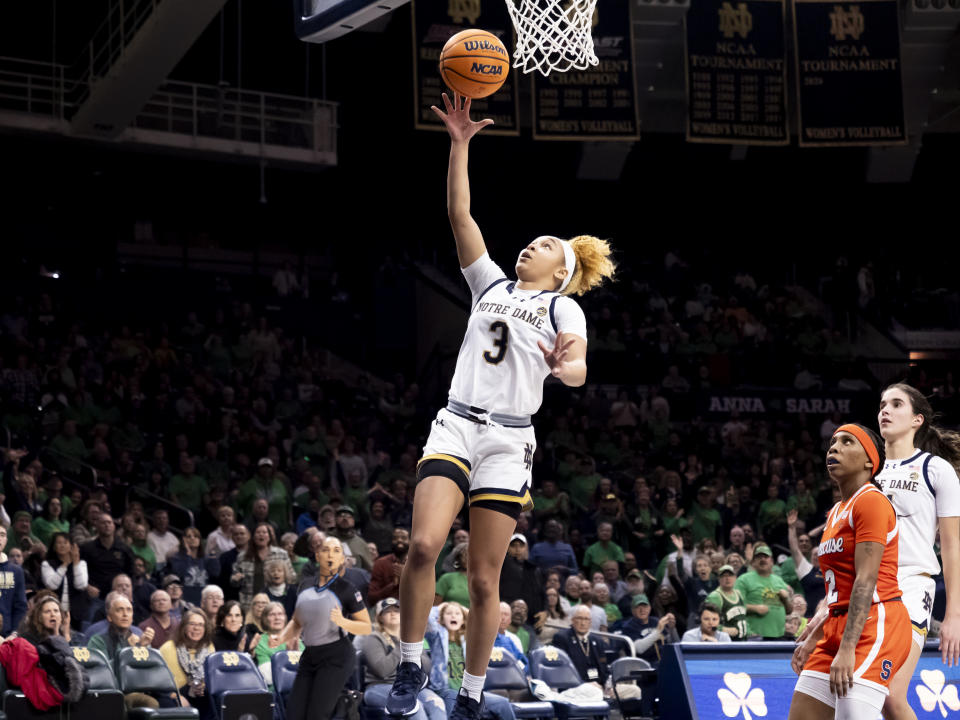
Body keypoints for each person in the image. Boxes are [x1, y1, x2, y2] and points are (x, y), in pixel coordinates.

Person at [387, 91, 615, 720]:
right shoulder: (489, 283)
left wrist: (564, 366)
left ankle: (471, 692)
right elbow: (461, 216)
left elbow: (578, 366)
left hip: (510, 441)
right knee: (424, 547)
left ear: (560, 269)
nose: (529, 247)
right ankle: (412, 663)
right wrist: (459, 144)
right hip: (457, 424)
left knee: (486, 579)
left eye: (543, 245)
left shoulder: (560, 306)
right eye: (530, 241)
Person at [789, 424, 911, 720]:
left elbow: (865, 581)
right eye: (832, 442)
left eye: (847, 442)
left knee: (853, 714)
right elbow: (837, 592)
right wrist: (814, 636)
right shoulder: (835, 512)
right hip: (838, 625)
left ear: (870, 461)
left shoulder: (871, 501)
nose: (834, 448)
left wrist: (847, 649)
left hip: (875, 622)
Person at [873, 383, 960, 720]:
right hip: (866, 587)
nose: (885, 410)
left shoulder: (935, 469)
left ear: (916, 420)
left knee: (892, 696)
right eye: (882, 404)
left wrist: (953, 615)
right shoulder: (867, 469)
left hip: (909, 585)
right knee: (857, 691)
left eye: (896, 404)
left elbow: (952, 546)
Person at [278, 536, 371, 720]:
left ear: (343, 559)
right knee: (294, 714)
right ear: (318, 555)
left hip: (337, 656)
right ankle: (344, 703)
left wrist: (343, 622)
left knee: (317, 714)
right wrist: (281, 638)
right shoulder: (305, 585)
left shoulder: (347, 589)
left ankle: (344, 704)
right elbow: (297, 621)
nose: (331, 554)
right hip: (310, 655)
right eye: (326, 550)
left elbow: (366, 627)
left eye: (337, 551)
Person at [422, 601, 516, 720]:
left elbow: (482, 622)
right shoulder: (437, 638)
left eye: (457, 614)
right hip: (446, 690)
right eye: (449, 613)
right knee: (453, 700)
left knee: (502, 703)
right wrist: (439, 608)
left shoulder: (468, 639)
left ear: (463, 619)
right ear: (441, 618)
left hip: (469, 692)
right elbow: (428, 617)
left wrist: (464, 610)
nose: (453, 616)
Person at [357, 598, 446, 720]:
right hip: (379, 686)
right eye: (387, 611)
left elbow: (427, 669)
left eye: (397, 610)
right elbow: (382, 670)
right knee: (414, 707)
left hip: (412, 686)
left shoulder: (414, 639)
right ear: (380, 617)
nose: (393, 613)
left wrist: (414, 650)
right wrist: (403, 645)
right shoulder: (373, 638)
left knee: (437, 703)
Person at [158, 608, 216, 719]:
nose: (196, 628)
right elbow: (160, 685)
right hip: (174, 694)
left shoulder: (209, 647)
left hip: (200, 693)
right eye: (192, 624)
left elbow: (212, 678)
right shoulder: (168, 648)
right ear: (184, 627)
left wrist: (201, 687)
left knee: (213, 699)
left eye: (200, 625)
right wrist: (178, 696)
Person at [735, 543, 792, 639]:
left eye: (766, 556)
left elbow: (789, 611)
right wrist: (755, 608)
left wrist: (786, 599)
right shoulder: (743, 580)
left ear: (772, 562)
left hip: (779, 635)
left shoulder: (779, 580)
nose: (762, 559)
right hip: (754, 636)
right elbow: (734, 607)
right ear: (753, 562)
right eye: (759, 557)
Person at [233, 523, 295, 609]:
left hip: (274, 602)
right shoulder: (242, 556)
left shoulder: (281, 554)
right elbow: (234, 581)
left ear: (269, 536)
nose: (261, 534)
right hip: (249, 602)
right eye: (258, 532)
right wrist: (236, 579)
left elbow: (292, 577)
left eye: (264, 532)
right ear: (252, 536)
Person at [88, 592, 155, 666]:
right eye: (119, 610)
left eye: (129, 610)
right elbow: (104, 670)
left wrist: (143, 647)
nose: (125, 614)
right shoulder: (98, 640)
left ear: (132, 616)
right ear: (109, 617)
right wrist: (134, 649)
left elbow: (151, 668)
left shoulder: (140, 637)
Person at [40, 533, 89, 631]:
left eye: (65, 543)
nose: (62, 545)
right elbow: (52, 585)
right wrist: (65, 564)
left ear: (72, 546)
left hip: (76, 612)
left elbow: (81, 585)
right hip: (54, 612)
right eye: (59, 543)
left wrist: (75, 563)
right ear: (54, 546)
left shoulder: (81, 564)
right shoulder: (47, 564)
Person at [551, 606, 608, 685]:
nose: (583, 623)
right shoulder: (562, 638)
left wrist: (607, 686)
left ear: (590, 622)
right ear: (572, 620)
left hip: (598, 685)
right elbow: (562, 669)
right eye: (579, 618)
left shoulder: (597, 641)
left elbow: (604, 668)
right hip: (574, 686)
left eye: (586, 619)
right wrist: (586, 685)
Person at [164, 527, 220, 606]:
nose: (192, 538)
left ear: (200, 540)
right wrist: (187, 555)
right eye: (189, 536)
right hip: (185, 601)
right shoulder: (176, 559)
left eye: (195, 536)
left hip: (203, 601)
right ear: (183, 540)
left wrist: (213, 555)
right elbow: (180, 574)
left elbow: (215, 573)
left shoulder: (205, 559)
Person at [254, 602, 303, 685]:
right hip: (275, 691)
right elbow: (268, 677)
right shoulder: (260, 642)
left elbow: (307, 671)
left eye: (280, 614)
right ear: (265, 619)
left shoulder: (295, 640)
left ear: (285, 617)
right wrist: (288, 658)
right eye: (272, 614)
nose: (277, 618)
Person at [0, 525, 30, 637]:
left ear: (6, 540)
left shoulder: (16, 571)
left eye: (2, 535)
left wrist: (14, 633)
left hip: (6, 636)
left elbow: (20, 606)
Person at [705, 565, 748, 640]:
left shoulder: (739, 593)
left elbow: (744, 617)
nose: (727, 578)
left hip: (743, 641)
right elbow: (706, 623)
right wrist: (723, 629)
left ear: (735, 577)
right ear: (719, 579)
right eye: (724, 576)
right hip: (726, 643)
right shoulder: (715, 597)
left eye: (730, 575)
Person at [369, 528, 410, 604]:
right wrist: (392, 585)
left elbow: (425, 593)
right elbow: (372, 597)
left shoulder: (418, 564)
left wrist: (406, 577)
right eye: (395, 538)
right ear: (391, 542)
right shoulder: (380, 563)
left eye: (403, 538)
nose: (399, 540)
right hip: (386, 607)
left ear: (411, 541)